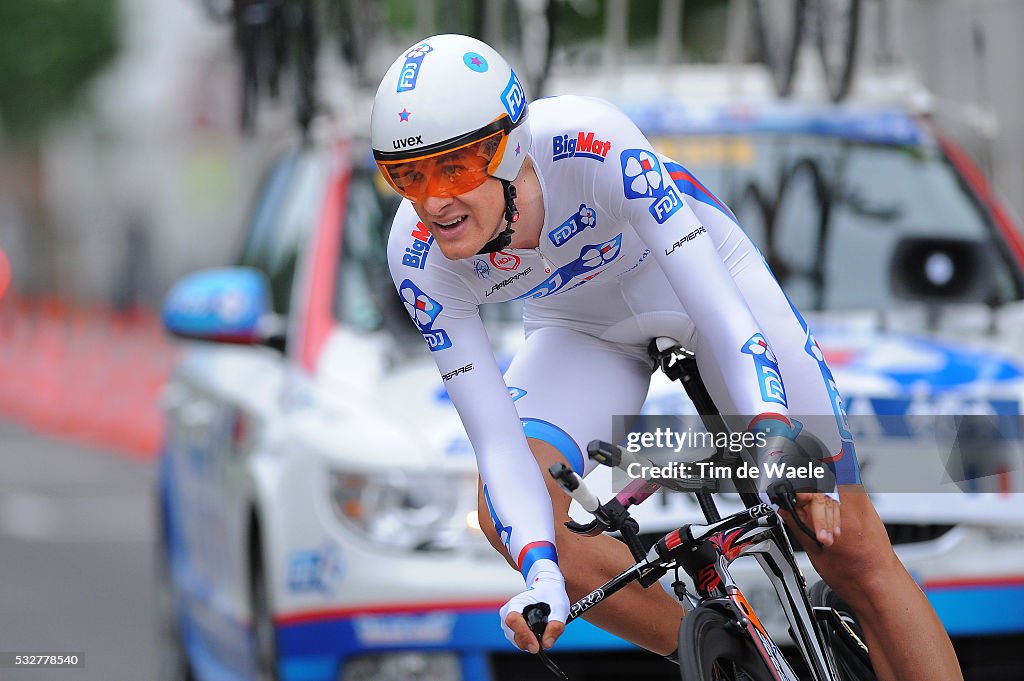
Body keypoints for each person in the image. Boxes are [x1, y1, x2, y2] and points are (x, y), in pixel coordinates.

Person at [371, 34, 963, 680]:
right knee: (505, 513)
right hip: (580, 329)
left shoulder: (589, 141)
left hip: (696, 291)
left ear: (511, 146)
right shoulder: (417, 256)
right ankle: (738, 661)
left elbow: (720, 312)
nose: (433, 201)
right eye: (406, 176)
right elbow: (497, 445)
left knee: (848, 543)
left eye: (454, 168)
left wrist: (772, 429)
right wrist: (541, 575)